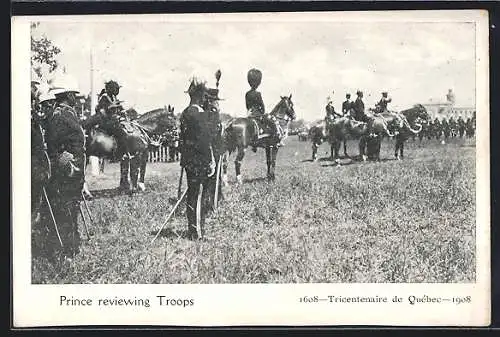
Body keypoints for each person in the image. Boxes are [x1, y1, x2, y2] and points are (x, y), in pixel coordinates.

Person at [41, 85, 86, 260]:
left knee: (72, 207)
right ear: (68, 95)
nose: (76, 98)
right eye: (74, 95)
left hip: (73, 169)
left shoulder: (67, 113)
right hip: (67, 171)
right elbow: (53, 145)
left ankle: (72, 245)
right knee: (66, 209)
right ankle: (67, 249)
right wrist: (63, 159)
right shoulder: (60, 116)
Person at [179, 78, 217, 240]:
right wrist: (210, 160)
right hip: (200, 159)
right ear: (200, 96)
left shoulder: (185, 112)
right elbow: (205, 139)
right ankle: (198, 233)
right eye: (204, 96)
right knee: (200, 195)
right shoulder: (200, 114)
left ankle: (193, 230)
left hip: (188, 159)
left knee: (193, 194)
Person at [245, 68, 284, 151]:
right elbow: (262, 107)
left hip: (249, 114)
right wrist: (262, 112)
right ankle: (276, 141)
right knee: (273, 124)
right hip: (258, 115)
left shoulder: (247, 94)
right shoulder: (258, 94)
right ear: (258, 82)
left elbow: (247, 106)